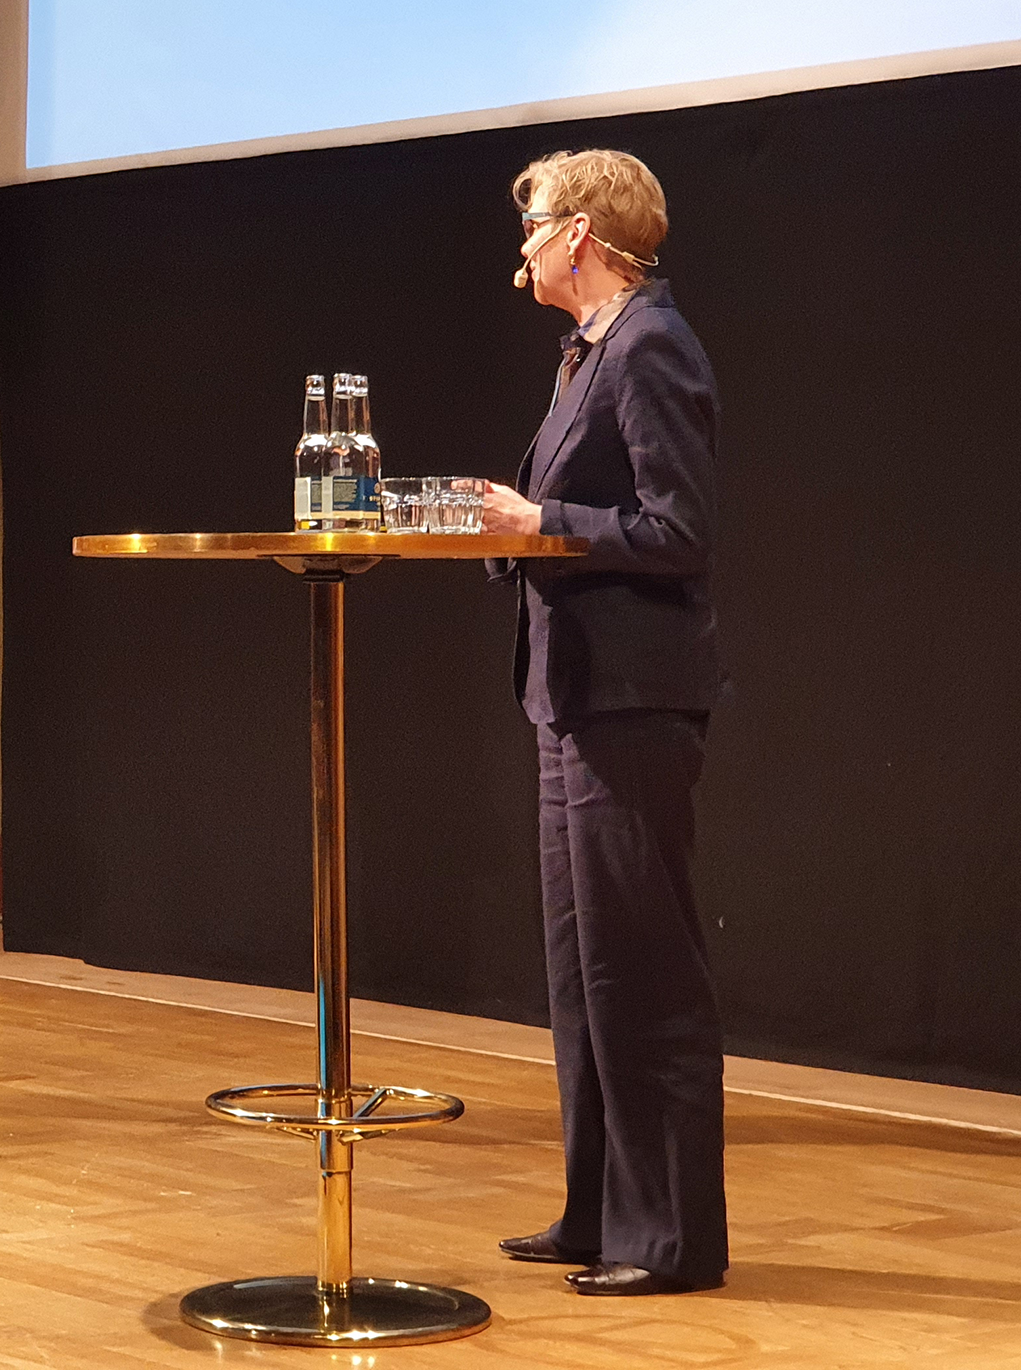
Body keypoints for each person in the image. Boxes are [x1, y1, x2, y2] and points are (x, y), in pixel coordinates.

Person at [482, 149, 727, 1295]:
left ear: (580, 233)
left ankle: (668, 1238)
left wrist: (544, 517)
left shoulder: (651, 344)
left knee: (646, 971)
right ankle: (598, 1210)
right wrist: (511, 525)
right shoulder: (584, 354)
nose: (520, 244)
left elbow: (677, 531)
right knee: (584, 973)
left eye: (532, 225)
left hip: (631, 698)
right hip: (568, 694)